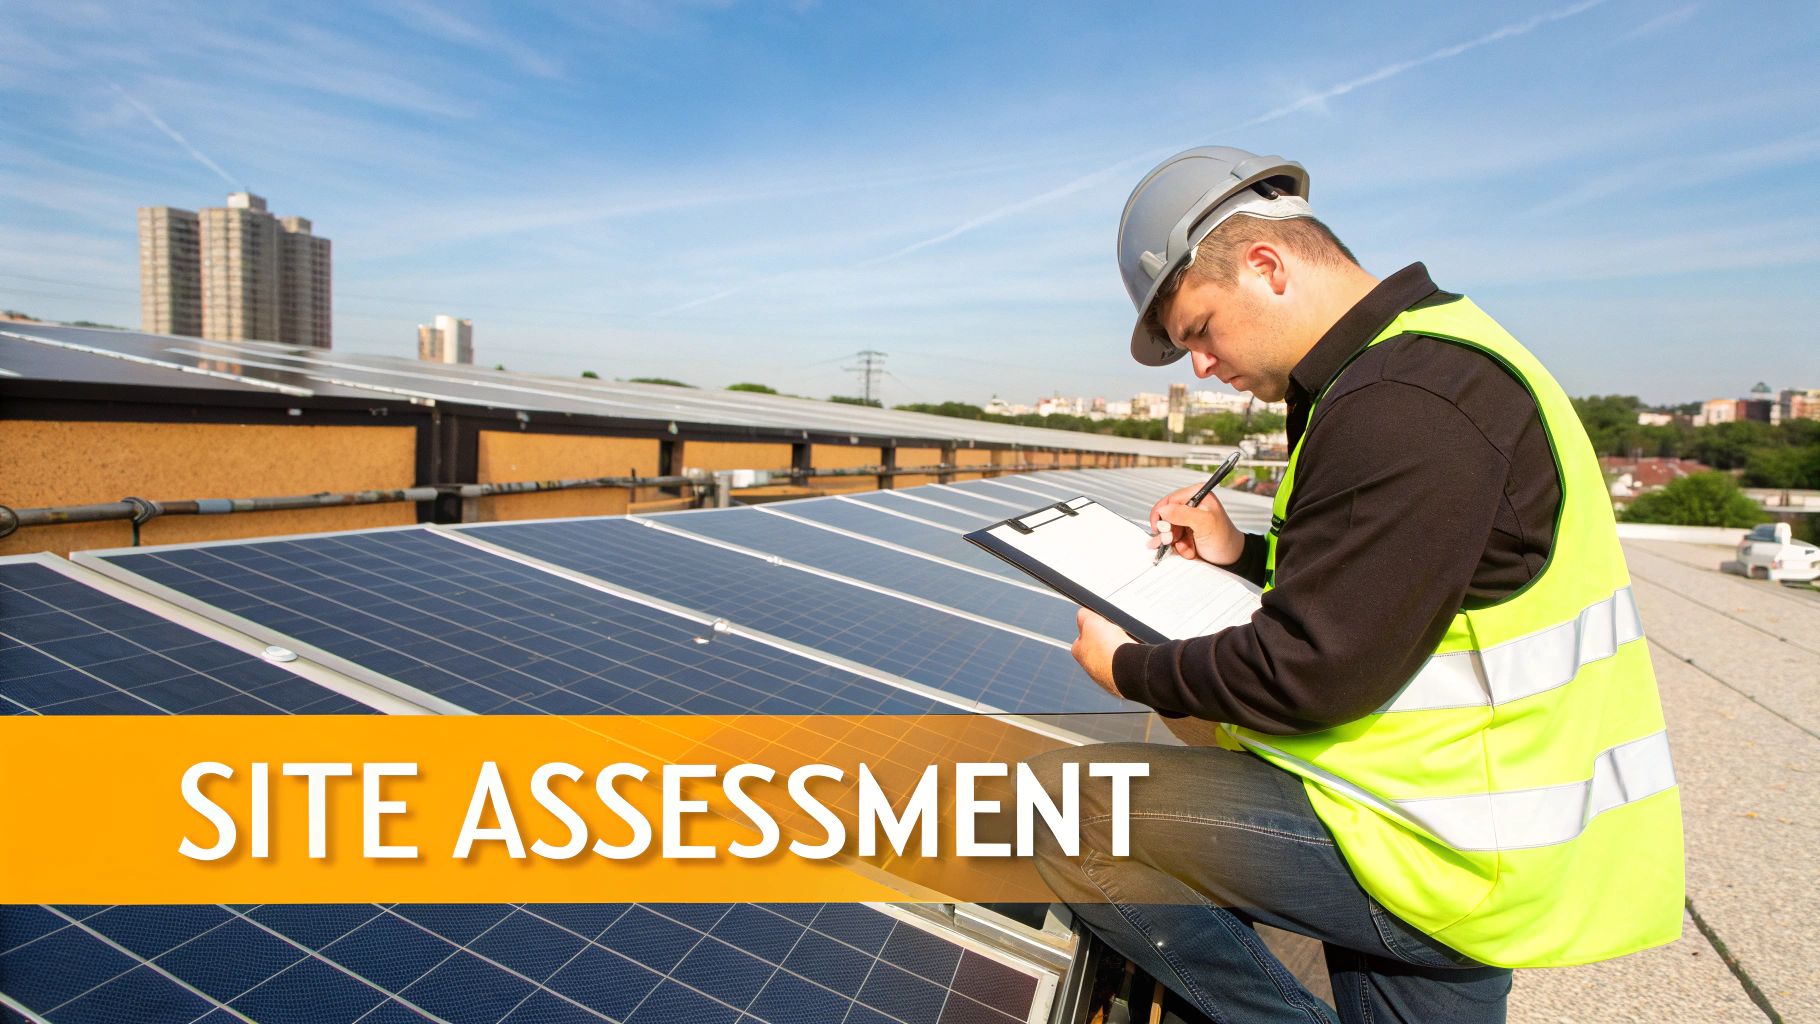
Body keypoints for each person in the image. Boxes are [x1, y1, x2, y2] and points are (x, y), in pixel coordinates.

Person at [1025, 146, 1684, 1024]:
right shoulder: (1423, 361)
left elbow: (1309, 671)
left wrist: (1133, 669)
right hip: (1449, 812)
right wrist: (1243, 557)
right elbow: (1409, 579)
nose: (1202, 366)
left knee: (1065, 813)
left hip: (1430, 842)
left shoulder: (1403, 400)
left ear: (1266, 265)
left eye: (1200, 330)